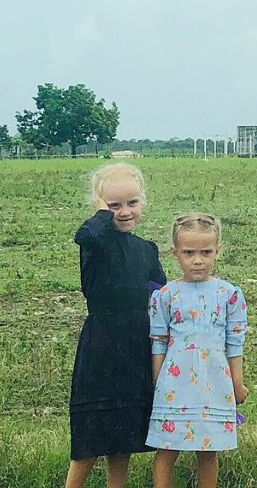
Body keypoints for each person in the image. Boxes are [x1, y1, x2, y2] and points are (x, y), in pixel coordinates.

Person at [65, 163, 167, 488]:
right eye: (114, 205)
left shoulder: (146, 250)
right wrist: (100, 215)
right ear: (99, 204)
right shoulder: (95, 244)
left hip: (137, 346)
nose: (124, 212)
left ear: (143, 202)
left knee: (122, 437)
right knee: (90, 437)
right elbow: (84, 234)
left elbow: (161, 296)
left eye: (131, 203)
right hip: (101, 346)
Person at [147, 212, 249, 488]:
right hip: (173, 385)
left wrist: (236, 383)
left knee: (208, 450)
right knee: (167, 448)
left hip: (215, 384)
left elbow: (235, 342)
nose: (198, 260)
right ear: (175, 253)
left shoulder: (229, 294)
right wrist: (157, 382)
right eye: (189, 252)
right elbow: (158, 341)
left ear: (218, 251)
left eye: (206, 252)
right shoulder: (165, 296)